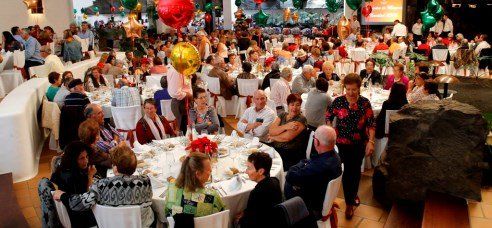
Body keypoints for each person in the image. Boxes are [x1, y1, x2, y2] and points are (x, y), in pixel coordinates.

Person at [53, 145, 155, 227]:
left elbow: (79, 204)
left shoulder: (101, 185)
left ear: (115, 168)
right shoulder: (146, 181)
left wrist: (62, 195)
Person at [326, 73, 375, 219]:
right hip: (339, 144)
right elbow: (328, 116)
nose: (351, 93)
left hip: (357, 145)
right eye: (348, 89)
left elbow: (371, 123)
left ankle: (349, 203)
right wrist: (331, 130)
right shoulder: (338, 101)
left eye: (354, 89)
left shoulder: (365, 103)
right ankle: (329, 200)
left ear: (359, 88)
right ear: (344, 88)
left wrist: (371, 142)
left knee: (352, 175)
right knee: (334, 172)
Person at [284, 125, 342, 220]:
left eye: (314, 138)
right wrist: (304, 163)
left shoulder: (319, 166)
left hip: (310, 209)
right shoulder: (334, 155)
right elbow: (308, 161)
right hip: (320, 197)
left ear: (316, 142)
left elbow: (291, 175)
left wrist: (302, 163)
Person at [50, 141, 97, 228]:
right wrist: (90, 176)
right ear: (73, 159)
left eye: (86, 156)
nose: (86, 161)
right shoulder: (73, 176)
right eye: (81, 158)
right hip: (79, 217)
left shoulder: (64, 168)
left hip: (69, 211)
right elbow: (86, 198)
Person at [165, 152, 226, 217]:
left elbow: (167, 213)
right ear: (198, 174)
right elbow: (223, 215)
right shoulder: (211, 196)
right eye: (209, 170)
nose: (211, 171)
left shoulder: (171, 189)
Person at [237, 152, 282, 227]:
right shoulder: (275, 181)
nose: (246, 171)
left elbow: (250, 222)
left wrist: (239, 220)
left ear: (261, 171)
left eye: (249, 168)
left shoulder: (256, 193)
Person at [268, 94, 307, 170]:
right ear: (288, 105)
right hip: (276, 148)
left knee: (267, 166)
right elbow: (271, 130)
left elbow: (286, 138)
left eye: (298, 105)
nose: (294, 108)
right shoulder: (283, 115)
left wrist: (273, 137)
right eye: (292, 105)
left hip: (289, 153)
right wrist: (286, 126)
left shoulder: (301, 119)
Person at [168, 65, 193, 132]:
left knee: (188, 128)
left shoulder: (180, 69)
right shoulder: (176, 71)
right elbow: (175, 92)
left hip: (184, 102)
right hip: (181, 103)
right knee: (185, 129)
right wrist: (188, 95)